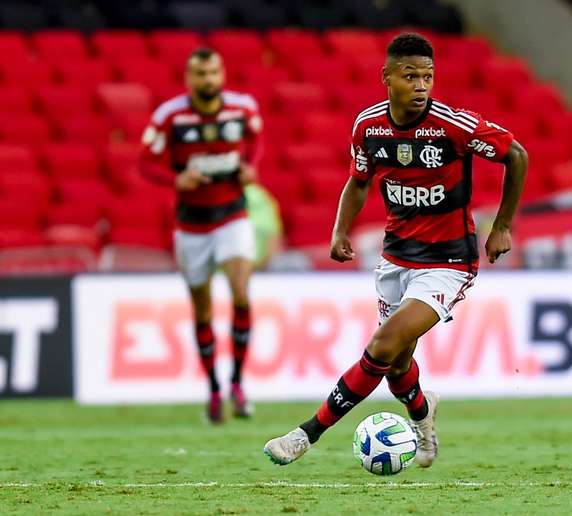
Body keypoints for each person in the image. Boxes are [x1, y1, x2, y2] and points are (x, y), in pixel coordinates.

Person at [264, 33, 528, 465]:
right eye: (410, 76)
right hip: (396, 259)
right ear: (386, 77)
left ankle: (305, 435)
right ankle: (424, 419)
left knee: (383, 345)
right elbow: (359, 180)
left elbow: (516, 155)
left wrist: (501, 226)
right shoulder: (368, 127)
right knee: (398, 367)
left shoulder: (454, 126)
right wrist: (339, 231)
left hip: (448, 262)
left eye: (428, 76)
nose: (422, 85)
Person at [139, 48, 264, 423]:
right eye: (200, 74)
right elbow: (145, 161)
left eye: (213, 72)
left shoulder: (242, 108)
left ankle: (238, 384)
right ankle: (213, 389)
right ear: (189, 79)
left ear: (221, 74)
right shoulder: (169, 117)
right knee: (203, 310)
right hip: (191, 225)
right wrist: (175, 179)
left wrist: (250, 167)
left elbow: (257, 139)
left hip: (232, 216)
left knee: (241, 296)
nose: (208, 80)